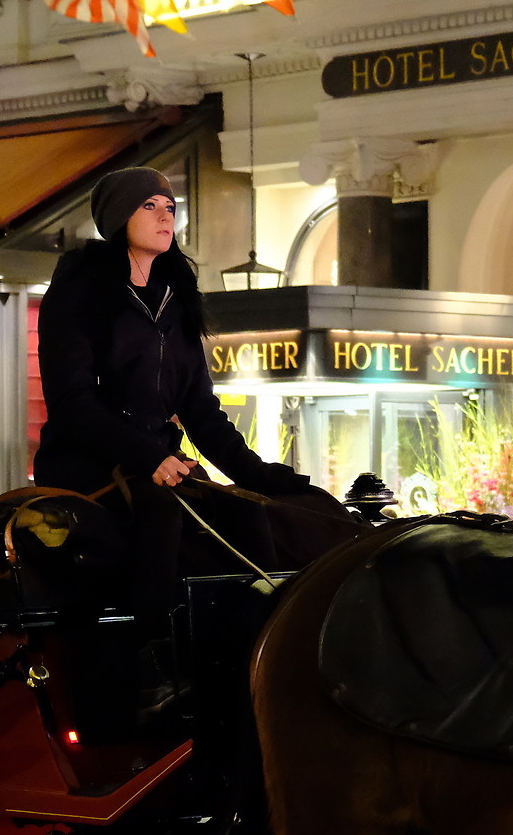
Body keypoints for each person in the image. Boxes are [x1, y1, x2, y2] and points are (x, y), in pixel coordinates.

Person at [34, 166, 309, 707]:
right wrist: (148, 455)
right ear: (119, 219)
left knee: (248, 514)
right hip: (88, 457)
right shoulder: (79, 292)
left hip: (161, 459)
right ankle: (150, 660)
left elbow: (201, 412)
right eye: (150, 207)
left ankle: (259, 649)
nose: (165, 217)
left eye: (170, 207)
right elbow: (73, 405)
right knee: (161, 514)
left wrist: (262, 477)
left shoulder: (175, 299)